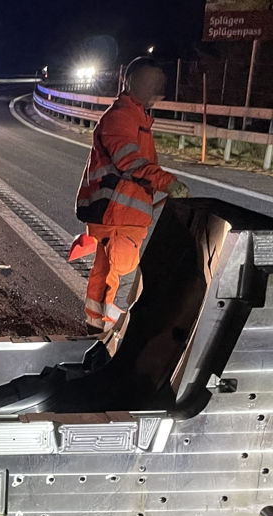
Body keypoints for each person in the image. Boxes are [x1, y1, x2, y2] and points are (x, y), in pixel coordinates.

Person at [74, 58, 189, 334]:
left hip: (117, 215)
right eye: (151, 84)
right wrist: (168, 183)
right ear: (132, 82)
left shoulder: (135, 118)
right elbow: (130, 161)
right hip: (118, 215)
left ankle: (96, 329)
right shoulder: (123, 117)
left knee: (106, 275)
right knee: (123, 279)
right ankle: (117, 337)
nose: (156, 91)